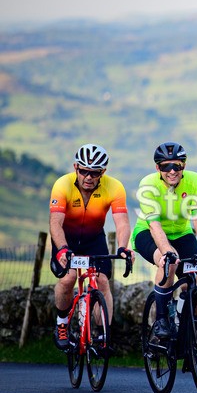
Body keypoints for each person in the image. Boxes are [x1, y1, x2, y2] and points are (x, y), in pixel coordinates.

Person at [49, 143, 132, 350]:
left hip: (94, 239)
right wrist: (61, 249)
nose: (88, 176)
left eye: (94, 173)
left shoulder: (114, 187)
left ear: (102, 172)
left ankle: (104, 335)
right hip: (66, 239)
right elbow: (55, 223)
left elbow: (122, 222)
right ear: (76, 167)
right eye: (84, 171)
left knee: (102, 281)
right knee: (68, 278)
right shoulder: (62, 184)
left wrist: (123, 247)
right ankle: (61, 324)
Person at [132, 142, 197, 340]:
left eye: (176, 166)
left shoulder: (195, 181)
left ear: (184, 166)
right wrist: (168, 251)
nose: (171, 171)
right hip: (148, 232)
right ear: (157, 168)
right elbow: (154, 226)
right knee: (167, 263)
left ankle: (188, 332)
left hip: (182, 233)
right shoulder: (148, 184)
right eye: (165, 166)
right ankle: (161, 319)